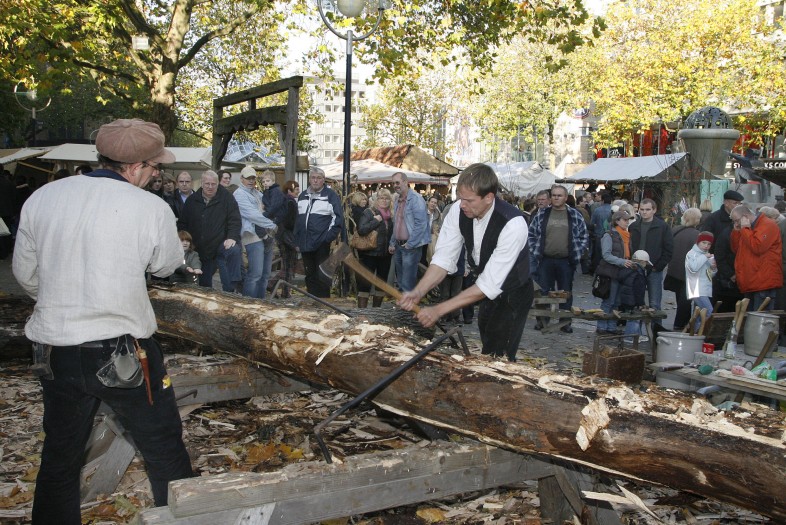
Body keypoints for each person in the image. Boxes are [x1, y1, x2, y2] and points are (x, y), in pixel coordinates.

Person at [12, 118, 193, 523]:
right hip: (124, 352)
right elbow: (165, 265)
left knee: (60, 454)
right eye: (154, 168)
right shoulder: (150, 207)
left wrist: (65, 303)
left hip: (56, 350)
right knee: (163, 449)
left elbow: (26, 275)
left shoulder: (44, 197)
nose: (155, 175)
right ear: (135, 167)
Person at [398, 163, 533, 362]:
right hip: (484, 287)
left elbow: (488, 285)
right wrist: (419, 291)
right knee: (487, 337)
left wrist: (438, 310)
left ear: (489, 197)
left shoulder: (513, 224)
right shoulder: (458, 210)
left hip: (513, 291)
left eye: (469, 200)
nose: (462, 205)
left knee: (499, 355)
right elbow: (444, 259)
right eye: (461, 198)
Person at [528, 185, 589, 333]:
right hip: (545, 259)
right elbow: (531, 234)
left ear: (566, 197)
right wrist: (535, 251)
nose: (556, 198)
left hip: (566, 261)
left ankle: (565, 322)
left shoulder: (574, 214)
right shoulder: (542, 214)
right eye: (554, 195)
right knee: (543, 292)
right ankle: (542, 320)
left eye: (559, 195)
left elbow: (584, 236)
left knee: (565, 292)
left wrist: (578, 253)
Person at [178, 170, 242, 292]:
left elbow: (235, 219)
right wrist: (184, 240)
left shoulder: (227, 198)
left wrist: (232, 237)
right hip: (201, 248)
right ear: (202, 184)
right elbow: (183, 223)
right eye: (207, 184)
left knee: (233, 250)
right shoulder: (192, 200)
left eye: (213, 184)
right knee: (204, 286)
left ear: (218, 184)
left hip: (221, 243)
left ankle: (231, 290)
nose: (210, 187)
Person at [295, 167, 343, 298]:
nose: (315, 180)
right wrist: (297, 239)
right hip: (305, 242)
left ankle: (323, 304)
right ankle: (312, 303)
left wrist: (327, 238)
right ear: (309, 179)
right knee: (309, 275)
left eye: (319, 178)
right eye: (313, 178)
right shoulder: (302, 196)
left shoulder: (330, 196)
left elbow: (338, 219)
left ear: (323, 180)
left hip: (321, 243)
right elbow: (298, 220)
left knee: (322, 276)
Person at [232, 167, 277, 299]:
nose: (251, 181)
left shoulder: (257, 193)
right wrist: (273, 225)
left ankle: (261, 303)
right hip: (252, 235)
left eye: (253, 178)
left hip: (266, 233)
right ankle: (248, 303)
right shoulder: (239, 194)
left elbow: (271, 207)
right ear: (241, 179)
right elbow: (253, 215)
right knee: (255, 273)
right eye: (248, 178)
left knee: (265, 274)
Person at [730, 205, 783, 310]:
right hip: (751, 281)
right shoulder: (747, 229)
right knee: (751, 317)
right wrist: (736, 232)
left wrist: (745, 229)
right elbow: (737, 249)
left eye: (737, 221)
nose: (736, 224)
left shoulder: (767, 225)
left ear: (745, 217)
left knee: (760, 317)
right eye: (734, 222)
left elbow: (758, 247)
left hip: (763, 282)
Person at [595, 210, 637, 335]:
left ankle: (611, 327)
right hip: (611, 272)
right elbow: (606, 255)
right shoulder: (609, 235)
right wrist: (622, 261)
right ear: (617, 221)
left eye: (628, 220)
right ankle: (602, 326)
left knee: (617, 302)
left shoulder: (627, 235)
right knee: (609, 301)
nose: (627, 222)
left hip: (622, 273)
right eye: (625, 220)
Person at [628, 198, 673, 311]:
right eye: (642, 209)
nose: (644, 212)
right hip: (636, 267)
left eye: (647, 209)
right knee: (636, 302)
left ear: (654, 210)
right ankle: (637, 323)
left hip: (654, 268)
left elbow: (669, 249)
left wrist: (658, 266)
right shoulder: (633, 226)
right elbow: (629, 246)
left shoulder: (663, 227)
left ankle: (655, 323)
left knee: (654, 304)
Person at [389, 172, 430, 292]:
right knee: (401, 282)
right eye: (393, 183)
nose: (395, 185)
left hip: (410, 246)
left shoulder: (416, 199)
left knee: (408, 283)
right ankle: (403, 302)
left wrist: (410, 244)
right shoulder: (397, 200)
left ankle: (408, 303)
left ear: (406, 182)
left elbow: (421, 225)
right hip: (399, 246)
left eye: (397, 182)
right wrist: (392, 242)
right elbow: (397, 223)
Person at [356, 188, 394, 308]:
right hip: (369, 254)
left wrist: (393, 244)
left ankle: (376, 311)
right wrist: (375, 221)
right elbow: (361, 230)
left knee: (381, 283)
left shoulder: (391, 215)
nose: (384, 200)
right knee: (364, 283)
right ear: (376, 200)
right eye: (381, 198)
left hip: (385, 255)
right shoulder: (369, 212)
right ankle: (362, 312)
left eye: (387, 198)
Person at [665, 208, 701, 330]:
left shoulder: (675, 230)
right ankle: (681, 323)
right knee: (686, 299)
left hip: (675, 268)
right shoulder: (697, 235)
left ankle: (681, 322)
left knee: (679, 296)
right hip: (689, 270)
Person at [685, 231, 717, 331]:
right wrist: (704, 257)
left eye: (709, 244)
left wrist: (713, 268)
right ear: (698, 242)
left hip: (704, 288)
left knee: (698, 313)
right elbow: (693, 268)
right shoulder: (692, 253)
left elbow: (709, 275)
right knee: (708, 311)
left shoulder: (706, 255)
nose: (706, 246)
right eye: (704, 242)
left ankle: (693, 331)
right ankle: (698, 331)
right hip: (696, 288)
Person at [277, 180, 299, 298]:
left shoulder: (283, 201)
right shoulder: (290, 202)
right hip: (288, 236)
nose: (298, 192)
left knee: (286, 264)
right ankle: (285, 291)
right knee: (289, 264)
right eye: (296, 189)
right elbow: (289, 222)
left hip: (282, 236)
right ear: (289, 190)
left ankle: (276, 286)